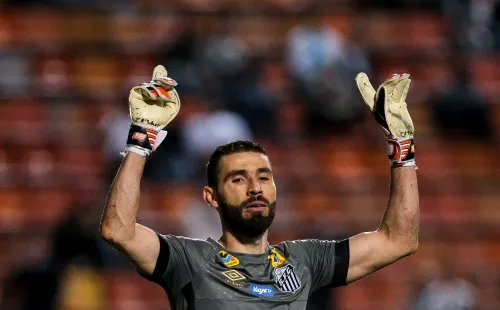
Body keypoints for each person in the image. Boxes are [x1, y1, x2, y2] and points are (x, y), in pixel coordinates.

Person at [99, 66, 420, 309]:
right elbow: (118, 230)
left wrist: (401, 146)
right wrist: (141, 140)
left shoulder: (304, 261)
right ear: (212, 197)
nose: (255, 187)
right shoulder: (189, 260)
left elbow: (398, 240)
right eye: (238, 179)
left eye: (263, 177)